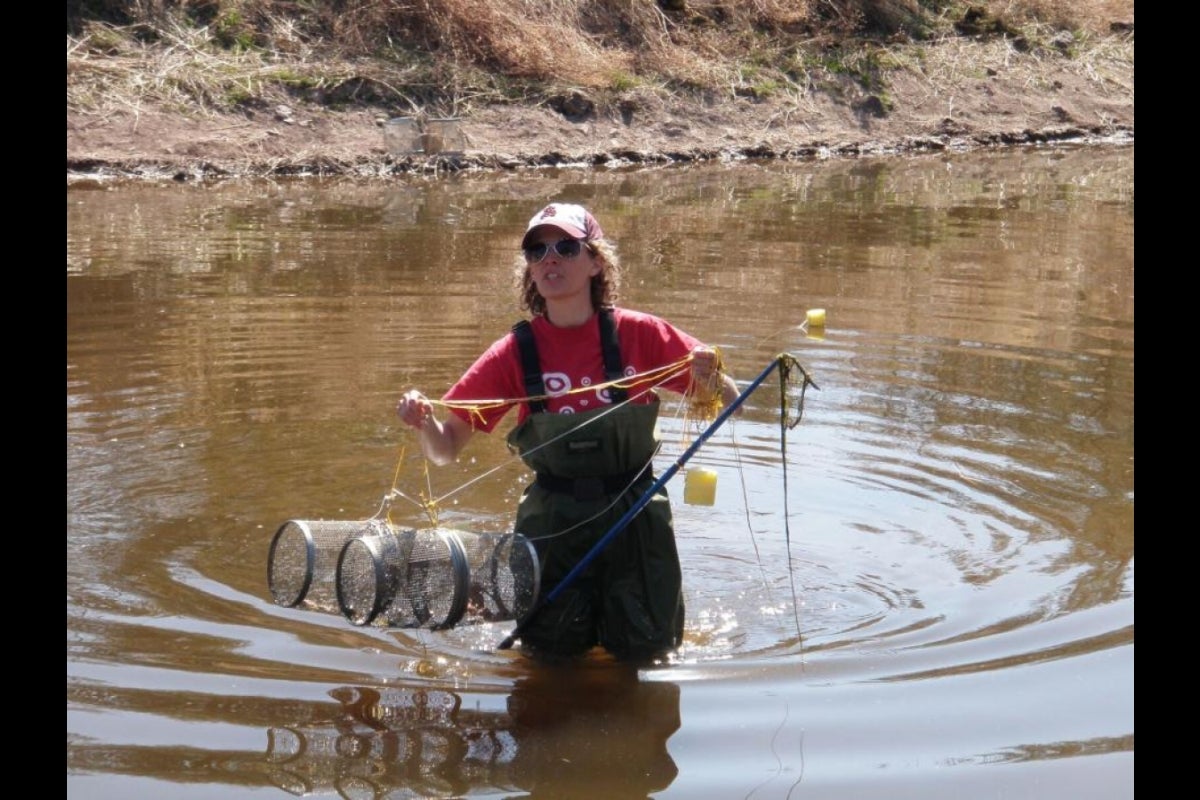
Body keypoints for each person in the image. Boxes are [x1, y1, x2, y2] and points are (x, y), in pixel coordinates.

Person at [396, 202, 739, 662]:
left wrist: (712, 378)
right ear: (530, 271)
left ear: (596, 262)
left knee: (648, 656)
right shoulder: (512, 353)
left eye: (565, 247)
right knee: (549, 660)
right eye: (537, 251)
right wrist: (424, 423)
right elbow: (445, 449)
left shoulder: (641, 333)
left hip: (636, 517)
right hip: (552, 525)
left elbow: (728, 401)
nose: (549, 258)